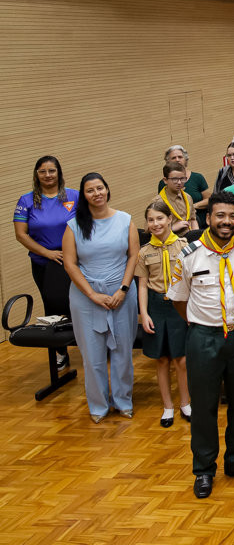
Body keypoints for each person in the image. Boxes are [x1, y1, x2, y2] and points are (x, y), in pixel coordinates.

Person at [168, 190, 234, 498]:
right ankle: (204, 470)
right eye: (220, 215)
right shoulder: (188, 255)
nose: (226, 222)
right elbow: (179, 300)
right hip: (204, 338)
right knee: (205, 407)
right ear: (208, 218)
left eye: (232, 216)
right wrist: (201, 323)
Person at [62, 173, 139, 423]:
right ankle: (98, 405)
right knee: (93, 355)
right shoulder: (74, 225)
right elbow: (70, 264)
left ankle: (123, 401)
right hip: (86, 297)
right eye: (90, 190)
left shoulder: (125, 220)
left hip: (121, 293)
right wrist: (93, 294)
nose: (97, 193)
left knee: (122, 351)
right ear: (83, 196)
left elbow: (133, 256)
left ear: (107, 189)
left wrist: (123, 289)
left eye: (100, 188)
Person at [135, 199, 191, 428]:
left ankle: (185, 403)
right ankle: (167, 406)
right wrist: (144, 314)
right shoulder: (144, 252)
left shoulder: (185, 247)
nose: (156, 223)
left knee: (181, 359)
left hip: (179, 304)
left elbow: (191, 281)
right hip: (157, 306)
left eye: (160, 218)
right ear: (147, 224)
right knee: (162, 359)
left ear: (170, 219)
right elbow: (142, 285)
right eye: (151, 220)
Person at [13, 156, 79, 346]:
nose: (48, 175)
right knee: (53, 305)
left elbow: (86, 225)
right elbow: (21, 235)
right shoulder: (26, 200)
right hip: (44, 263)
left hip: (75, 261)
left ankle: (89, 344)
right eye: (42, 171)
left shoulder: (74, 196)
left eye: (52, 170)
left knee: (81, 304)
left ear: (59, 172)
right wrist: (47, 253)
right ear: (36, 174)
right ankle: (60, 352)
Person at [159, 145, 211, 226]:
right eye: (173, 158)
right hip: (174, 225)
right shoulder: (163, 184)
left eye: (180, 157)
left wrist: (191, 207)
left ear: (185, 159)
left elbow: (209, 199)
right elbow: (162, 206)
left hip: (199, 222)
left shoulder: (197, 177)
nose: (177, 160)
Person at [160, 162, 198, 234]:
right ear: (165, 180)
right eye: (175, 179)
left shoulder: (188, 197)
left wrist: (197, 235)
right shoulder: (159, 201)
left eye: (182, 179)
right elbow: (150, 229)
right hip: (171, 241)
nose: (179, 182)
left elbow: (193, 219)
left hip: (189, 237)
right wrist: (172, 228)